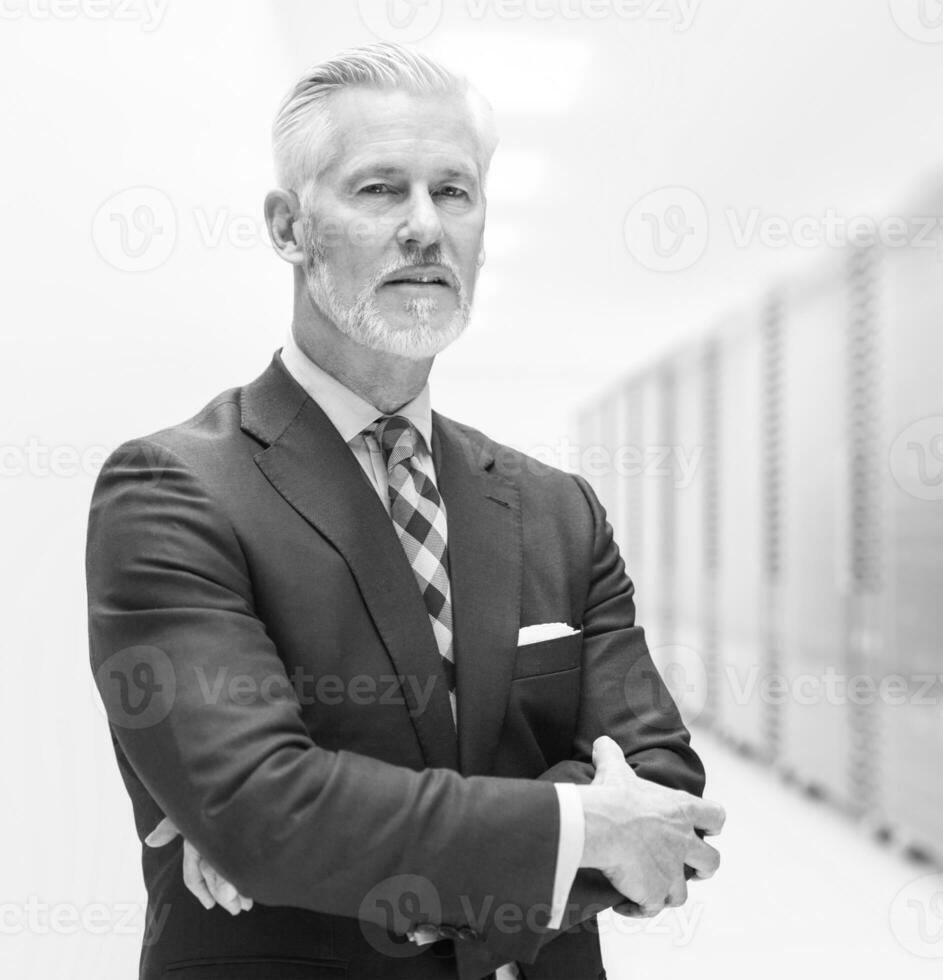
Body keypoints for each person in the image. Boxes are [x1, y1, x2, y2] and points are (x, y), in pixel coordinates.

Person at [85, 41, 724, 980]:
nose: (425, 226)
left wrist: (337, 852)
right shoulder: (174, 491)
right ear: (288, 226)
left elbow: (663, 785)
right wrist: (581, 828)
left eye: (454, 192)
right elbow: (267, 808)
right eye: (380, 189)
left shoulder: (556, 509)